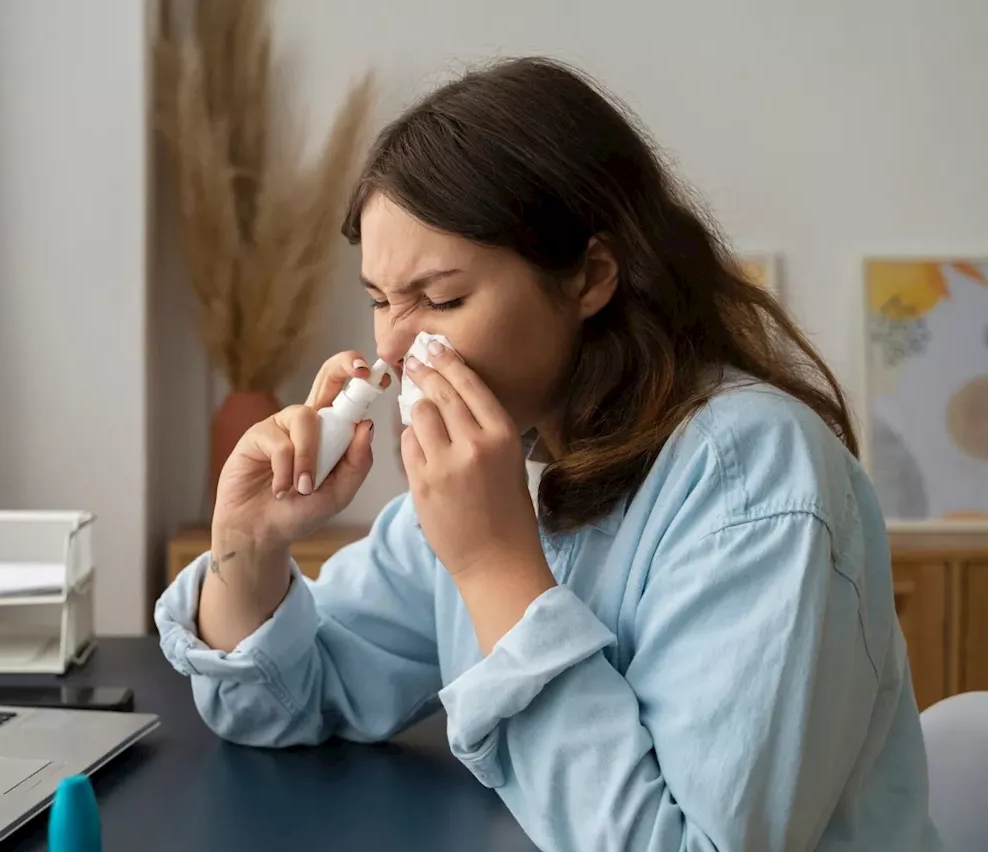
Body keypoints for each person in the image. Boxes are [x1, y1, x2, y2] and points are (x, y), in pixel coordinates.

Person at [155, 57, 940, 851]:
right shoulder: (515, 461)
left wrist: (496, 564)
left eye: (443, 298)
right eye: (379, 302)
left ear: (591, 276)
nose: (390, 350)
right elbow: (276, 705)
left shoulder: (754, 481)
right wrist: (248, 546)